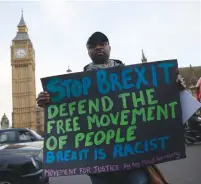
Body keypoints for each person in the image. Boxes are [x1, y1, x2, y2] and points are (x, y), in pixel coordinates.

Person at [36, 31, 186, 184]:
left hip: (133, 162)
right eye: (93, 46)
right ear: (88, 52)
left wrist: (175, 88)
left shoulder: (133, 77)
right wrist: (46, 101)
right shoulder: (76, 86)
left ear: (109, 47)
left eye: (102, 44)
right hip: (98, 166)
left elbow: (155, 98)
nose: (98, 48)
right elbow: (66, 113)